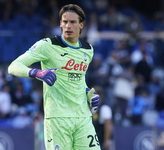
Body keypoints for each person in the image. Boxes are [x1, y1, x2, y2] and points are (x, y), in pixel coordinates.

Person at [8, 4, 100, 150]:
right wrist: (36, 73)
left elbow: (78, 80)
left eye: (72, 22)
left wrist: (88, 94)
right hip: (57, 119)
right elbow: (13, 66)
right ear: (60, 24)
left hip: (83, 117)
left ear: (81, 24)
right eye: (64, 22)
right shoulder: (47, 45)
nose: (68, 26)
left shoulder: (88, 50)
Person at [92, 86, 112, 150]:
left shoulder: (104, 108)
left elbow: (108, 125)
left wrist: (106, 140)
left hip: (101, 140)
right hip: (94, 140)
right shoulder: (92, 107)